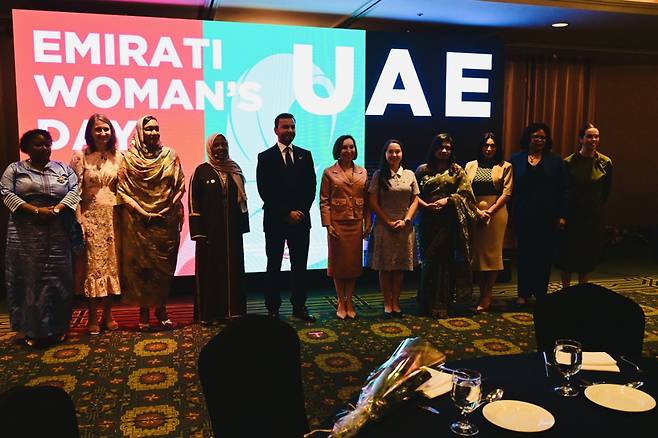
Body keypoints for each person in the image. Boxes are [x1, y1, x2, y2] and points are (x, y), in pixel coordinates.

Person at [1, 129, 81, 346]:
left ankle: (57, 328)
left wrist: (58, 209)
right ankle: (30, 330)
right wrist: (35, 211)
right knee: (29, 280)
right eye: (38, 145)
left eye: (47, 144)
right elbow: (6, 194)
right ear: (26, 148)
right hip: (25, 233)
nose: (45, 148)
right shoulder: (15, 169)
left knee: (59, 280)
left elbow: (75, 190)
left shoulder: (62, 168)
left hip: (57, 232)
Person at [116, 115, 185, 330]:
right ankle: (144, 312)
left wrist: (166, 208)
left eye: (156, 128)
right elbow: (122, 191)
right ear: (139, 132)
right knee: (142, 269)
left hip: (166, 220)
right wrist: (143, 212)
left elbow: (180, 185)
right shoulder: (127, 158)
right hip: (138, 221)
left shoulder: (169, 155)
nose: (154, 133)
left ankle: (162, 309)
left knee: (164, 268)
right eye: (149, 129)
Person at [256, 113, 317, 322]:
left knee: (300, 266)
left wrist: (300, 212)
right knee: (273, 266)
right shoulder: (265, 157)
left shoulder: (305, 155)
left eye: (292, 127)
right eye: (285, 127)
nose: (289, 131)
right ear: (276, 130)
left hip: (301, 221)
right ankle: (272, 309)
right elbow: (265, 190)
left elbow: (311, 188)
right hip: (275, 221)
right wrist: (286, 213)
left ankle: (299, 306)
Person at [70, 114, 122, 335]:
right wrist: (78, 219)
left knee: (112, 266)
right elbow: (73, 191)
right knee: (92, 268)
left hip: (114, 219)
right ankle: (92, 316)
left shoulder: (119, 156)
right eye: (98, 129)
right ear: (90, 132)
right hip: (90, 218)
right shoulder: (80, 157)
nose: (102, 133)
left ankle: (108, 314)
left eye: (106, 129)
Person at [189, 133, 249, 322]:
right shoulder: (201, 171)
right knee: (210, 273)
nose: (221, 148)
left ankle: (234, 312)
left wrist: (242, 227)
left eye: (224, 144)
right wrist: (198, 232)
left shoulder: (235, 171)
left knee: (234, 272)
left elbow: (243, 201)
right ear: (209, 148)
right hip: (209, 234)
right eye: (217, 145)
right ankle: (210, 314)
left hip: (232, 233)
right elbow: (193, 202)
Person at [415, 133, 477, 318]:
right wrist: (426, 205)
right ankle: (426, 303)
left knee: (446, 263)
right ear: (433, 149)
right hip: (427, 222)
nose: (443, 151)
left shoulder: (457, 171)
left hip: (449, 222)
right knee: (429, 262)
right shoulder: (423, 170)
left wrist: (449, 200)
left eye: (447, 148)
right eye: (440, 147)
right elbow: (413, 194)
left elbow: (467, 196)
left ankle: (444, 303)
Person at [510, 122, 568, 306]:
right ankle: (523, 293)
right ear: (528, 138)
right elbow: (511, 188)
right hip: (523, 215)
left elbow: (564, 190)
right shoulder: (516, 159)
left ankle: (540, 293)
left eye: (543, 137)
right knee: (524, 255)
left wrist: (562, 215)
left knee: (543, 256)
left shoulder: (555, 161)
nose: (539, 140)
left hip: (547, 217)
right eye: (536, 136)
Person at [319, 135, 371, 320]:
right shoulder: (328, 172)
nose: (348, 150)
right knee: (338, 265)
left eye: (351, 147)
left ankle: (350, 300)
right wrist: (328, 224)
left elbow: (367, 202)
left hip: (356, 223)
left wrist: (368, 222)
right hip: (337, 224)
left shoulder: (363, 172)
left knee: (353, 265)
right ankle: (341, 301)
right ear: (338, 150)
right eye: (344, 147)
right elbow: (324, 201)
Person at [367, 139, 419, 318]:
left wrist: (406, 219)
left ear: (402, 153)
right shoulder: (378, 175)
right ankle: (387, 302)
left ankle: (396, 301)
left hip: (405, 226)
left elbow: (415, 200)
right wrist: (388, 221)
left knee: (399, 267)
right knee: (385, 266)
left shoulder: (410, 174)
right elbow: (372, 202)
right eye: (390, 152)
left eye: (397, 151)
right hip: (384, 226)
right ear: (385, 154)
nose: (394, 155)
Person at [557, 123, 613, 287]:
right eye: (589, 136)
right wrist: (562, 216)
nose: (593, 139)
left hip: (593, 216)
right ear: (581, 139)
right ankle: (565, 290)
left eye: (596, 136)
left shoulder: (605, 162)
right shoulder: (568, 162)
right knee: (567, 254)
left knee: (587, 255)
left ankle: (582, 290)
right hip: (571, 215)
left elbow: (606, 190)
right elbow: (562, 190)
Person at [465, 132, 513, 312]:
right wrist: (477, 211)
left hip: (497, 214)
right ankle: (481, 291)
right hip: (474, 213)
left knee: (492, 255)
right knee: (476, 255)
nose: (489, 149)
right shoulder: (470, 165)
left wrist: (490, 211)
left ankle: (488, 294)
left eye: (493, 146)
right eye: (486, 145)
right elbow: (465, 191)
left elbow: (507, 193)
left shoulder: (505, 166)